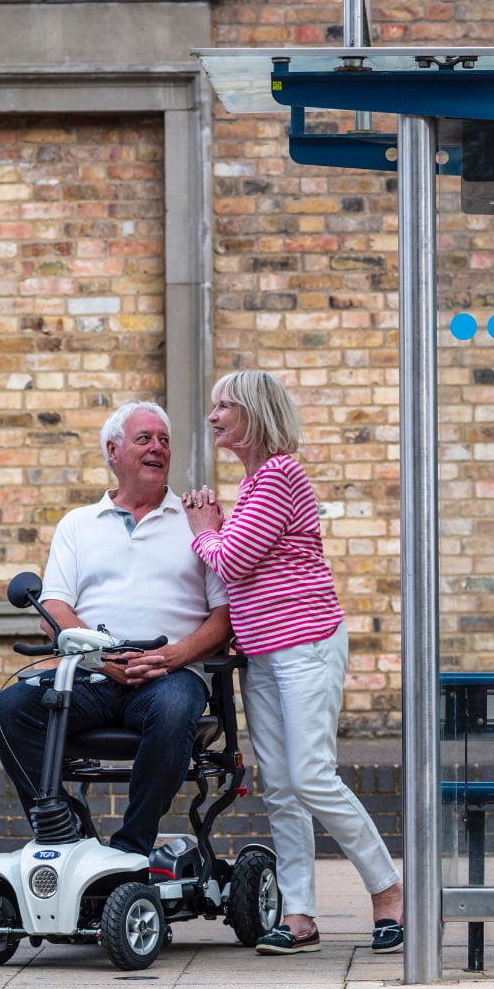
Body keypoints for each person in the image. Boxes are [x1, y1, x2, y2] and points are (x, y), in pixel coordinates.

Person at [183, 370, 404, 955]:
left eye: (224, 405)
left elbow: (232, 561)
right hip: (262, 653)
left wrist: (204, 529)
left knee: (311, 776)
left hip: (306, 644)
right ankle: (299, 914)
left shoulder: (281, 474)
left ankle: (389, 891)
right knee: (280, 787)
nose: (213, 416)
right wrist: (218, 530)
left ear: (254, 413)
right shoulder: (254, 484)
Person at [0, 401, 232, 857]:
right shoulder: (78, 524)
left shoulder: (197, 521)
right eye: (144, 439)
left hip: (169, 674)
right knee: (12, 706)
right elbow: (54, 607)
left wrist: (173, 656)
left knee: (173, 707)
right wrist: (102, 658)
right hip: (91, 675)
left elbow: (224, 618)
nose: (157, 447)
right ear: (113, 450)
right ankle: (65, 837)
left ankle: (129, 851)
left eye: (164, 440)